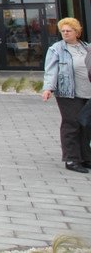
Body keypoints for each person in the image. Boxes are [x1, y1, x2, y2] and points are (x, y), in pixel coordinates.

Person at [41, 17, 91, 173]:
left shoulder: (86, 47)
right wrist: (48, 88)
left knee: (86, 125)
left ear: (77, 32)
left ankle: (86, 158)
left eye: (69, 30)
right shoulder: (56, 49)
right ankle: (71, 159)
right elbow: (51, 71)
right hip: (68, 93)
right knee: (72, 124)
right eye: (63, 31)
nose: (65, 33)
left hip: (87, 92)